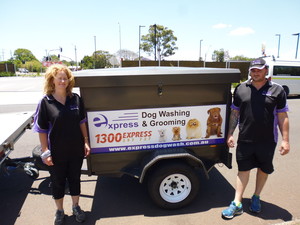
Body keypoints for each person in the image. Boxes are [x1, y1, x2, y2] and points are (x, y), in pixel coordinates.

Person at [222, 58, 290, 219]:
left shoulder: (277, 90)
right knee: (243, 170)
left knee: (263, 169)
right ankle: (237, 202)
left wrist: (285, 140)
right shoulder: (241, 89)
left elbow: (282, 116)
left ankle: (256, 197)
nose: (256, 72)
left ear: (266, 70)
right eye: (253, 70)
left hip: (267, 141)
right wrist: (230, 133)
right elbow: (235, 113)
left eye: (259, 69)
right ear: (250, 71)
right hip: (245, 139)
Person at [33, 64, 91, 225]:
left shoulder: (76, 99)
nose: (63, 81)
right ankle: (59, 211)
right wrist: (45, 151)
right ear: (52, 80)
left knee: (75, 179)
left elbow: (82, 121)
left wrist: (85, 142)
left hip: (75, 149)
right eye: (60, 78)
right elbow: (42, 129)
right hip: (56, 152)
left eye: (65, 78)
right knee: (58, 182)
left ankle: (76, 206)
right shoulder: (46, 102)